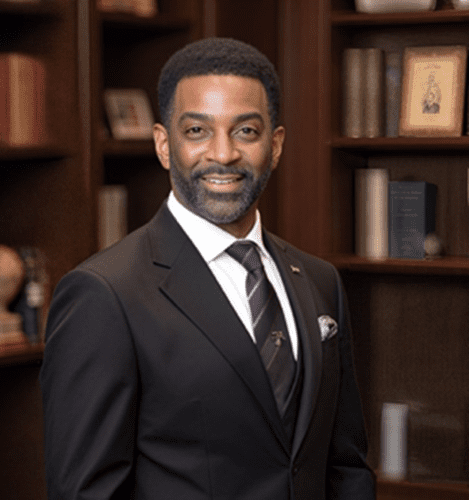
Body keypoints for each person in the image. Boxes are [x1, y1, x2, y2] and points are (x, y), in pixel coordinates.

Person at [40, 37, 375, 500]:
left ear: (275, 145)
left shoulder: (320, 281)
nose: (223, 154)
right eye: (197, 131)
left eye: (246, 132)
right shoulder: (104, 295)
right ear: (163, 145)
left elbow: (346, 467)